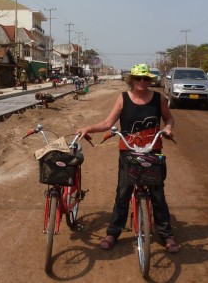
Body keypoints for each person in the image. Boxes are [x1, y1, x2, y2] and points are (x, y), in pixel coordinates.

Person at [76, 63, 179, 253]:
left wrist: (168, 128)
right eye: (138, 78)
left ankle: (166, 235)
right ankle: (113, 233)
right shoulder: (123, 98)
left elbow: (169, 118)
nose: (142, 82)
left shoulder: (159, 98)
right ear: (131, 80)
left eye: (145, 78)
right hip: (129, 151)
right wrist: (87, 128)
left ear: (150, 80)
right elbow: (108, 123)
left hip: (152, 150)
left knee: (157, 194)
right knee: (123, 193)